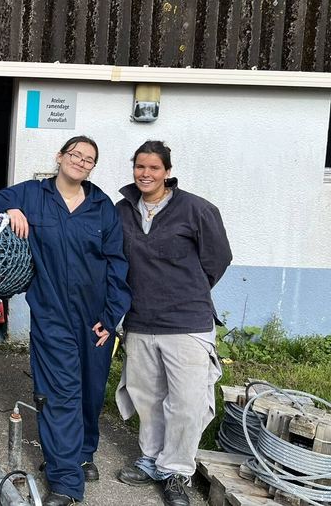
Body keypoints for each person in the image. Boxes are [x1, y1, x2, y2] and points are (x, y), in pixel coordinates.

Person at [0, 136, 131, 506]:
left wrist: (110, 318)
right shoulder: (33, 194)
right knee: (59, 395)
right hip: (53, 313)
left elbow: (117, 264)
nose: (81, 162)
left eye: (89, 159)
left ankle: (83, 454)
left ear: (93, 167)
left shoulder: (101, 206)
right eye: (75, 154)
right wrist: (10, 210)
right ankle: (65, 481)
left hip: (96, 319)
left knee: (90, 393)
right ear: (60, 157)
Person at [114, 141, 231, 506]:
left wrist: (185, 290)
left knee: (186, 401)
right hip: (141, 319)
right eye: (139, 167)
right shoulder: (122, 211)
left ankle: (177, 470)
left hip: (187, 321)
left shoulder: (196, 209)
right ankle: (151, 460)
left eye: (153, 168)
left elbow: (218, 259)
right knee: (147, 396)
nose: (145, 174)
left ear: (167, 171)